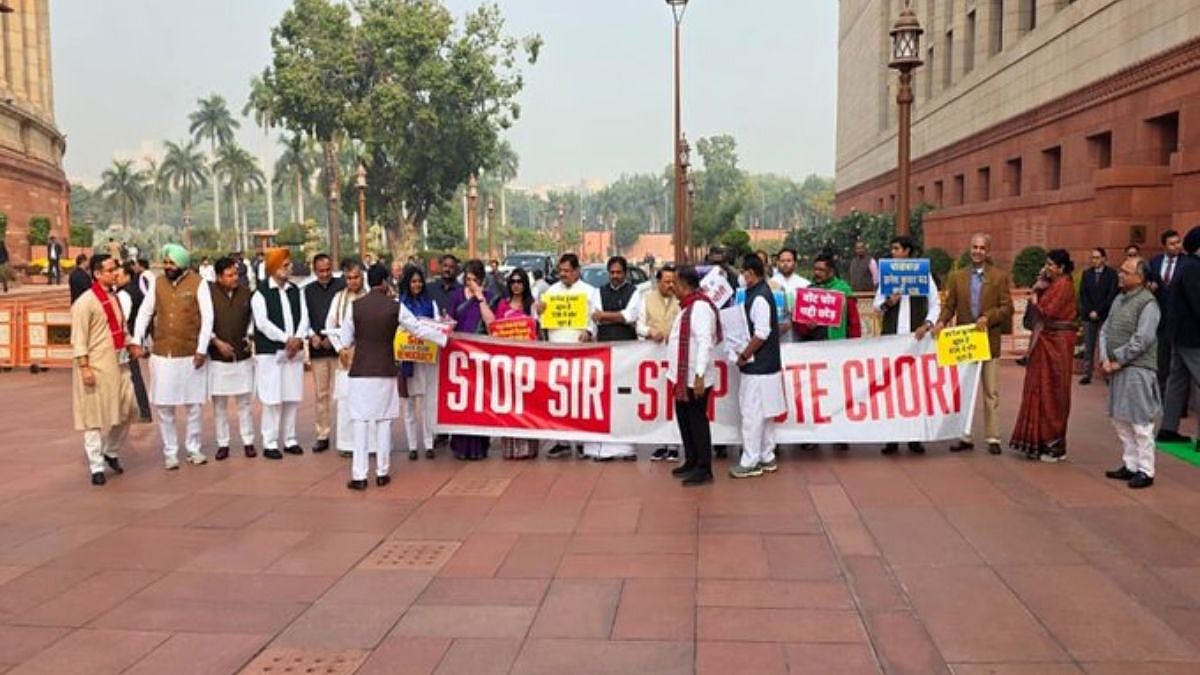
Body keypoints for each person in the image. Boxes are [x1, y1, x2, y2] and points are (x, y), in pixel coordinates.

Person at [338, 264, 450, 490]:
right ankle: (382, 472)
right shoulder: (395, 307)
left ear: (369, 281)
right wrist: (444, 338)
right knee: (383, 422)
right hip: (385, 370)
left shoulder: (355, 307)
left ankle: (359, 475)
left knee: (360, 422)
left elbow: (345, 340)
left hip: (360, 371)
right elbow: (417, 328)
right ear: (386, 281)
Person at [130, 244, 213, 470]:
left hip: (190, 353)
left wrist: (202, 349)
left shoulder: (199, 283)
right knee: (165, 406)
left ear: (183, 264)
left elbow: (208, 318)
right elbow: (145, 313)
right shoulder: (157, 284)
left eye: (172, 263)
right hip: (163, 353)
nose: (168, 267)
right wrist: (137, 340)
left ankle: (193, 448)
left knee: (193, 404)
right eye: (165, 262)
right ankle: (170, 452)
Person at [935, 233, 1014, 455]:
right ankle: (964, 435)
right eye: (974, 247)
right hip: (965, 342)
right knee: (965, 391)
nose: (977, 251)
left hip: (989, 340)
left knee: (991, 391)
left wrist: (988, 318)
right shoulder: (958, 277)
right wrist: (941, 321)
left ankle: (993, 437)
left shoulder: (998, 277)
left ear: (988, 251)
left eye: (981, 248)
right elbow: (950, 306)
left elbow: (1008, 308)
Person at [71, 254, 136, 485]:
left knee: (127, 410)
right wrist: (84, 367)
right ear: (97, 274)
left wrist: (132, 344)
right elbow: (78, 338)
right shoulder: (85, 302)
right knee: (93, 418)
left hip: (119, 363)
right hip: (96, 367)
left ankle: (111, 450)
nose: (115, 273)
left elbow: (121, 327)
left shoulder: (115, 298)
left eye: (116, 269)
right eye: (110, 270)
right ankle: (96, 466)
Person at [1010, 249, 1078, 462]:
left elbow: (1047, 312)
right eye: (1046, 264)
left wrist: (1035, 297)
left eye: (1051, 264)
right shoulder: (1051, 284)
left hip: (1057, 343)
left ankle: (1054, 444)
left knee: (1054, 391)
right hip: (1045, 340)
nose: (1047, 268)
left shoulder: (1064, 285)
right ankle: (1038, 441)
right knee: (1038, 387)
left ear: (1061, 268)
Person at [873, 234, 939, 455]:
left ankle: (914, 437)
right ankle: (892, 438)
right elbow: (876, 306)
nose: (893, 252)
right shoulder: (887, 275)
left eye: (897, 248)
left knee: (915, 389)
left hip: (916, 339)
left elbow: (935, 303)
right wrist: (888, 301)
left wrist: (927, 324)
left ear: (907, 251)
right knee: (891, 389)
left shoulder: (923, 274)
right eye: (891, 249)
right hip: (892, 339)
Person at [1101, 257, 1161, 489]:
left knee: (1140, 422)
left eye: (1126, 272)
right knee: (1120, 419)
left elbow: (1143, 339)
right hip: (1115, 368)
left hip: (1138, 370)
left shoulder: (1149, 304)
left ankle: (1146, 470)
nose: (1120, 275)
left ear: (1141, 277)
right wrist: (1106, 359)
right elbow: (1106, 328)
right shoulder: (1119, 299)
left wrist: (1119, 360)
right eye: (1121, 270)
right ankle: (1131, 464)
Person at [538, 253, 602, 459]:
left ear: (576, 271)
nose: (563, 274)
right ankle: (562, 441)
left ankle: (583, 441)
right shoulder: (551, 291)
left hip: (580, 350)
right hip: (556, 349)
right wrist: (538, 310)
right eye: (561, 271)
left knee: (581, 394)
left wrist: (589, 331)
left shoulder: (590, 292)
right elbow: (539, 319)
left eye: (567, 271)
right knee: (558, 396)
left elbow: (596, 317)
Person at [731, 254, 787, 478]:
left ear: (751, 273)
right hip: (768, 366)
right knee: (765, 414)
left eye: (743, 272)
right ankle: (766, 456)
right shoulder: (760, 293)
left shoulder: (759, 298)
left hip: (757, 366)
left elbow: (762, 333)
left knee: (752, 414)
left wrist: (744, 354)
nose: (741, 276)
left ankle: (751, 460)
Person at [252, 247, 310, 460]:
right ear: (274, 268)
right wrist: (287, 339)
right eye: (285, 265)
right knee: (272, 398)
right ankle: (270, 442)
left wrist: (297, 338)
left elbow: (304, 317)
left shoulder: (296, 290)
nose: (290, 268)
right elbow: (262, 323)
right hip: (270, 353)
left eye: (289, 264)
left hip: (292, 352)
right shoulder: (260, 292)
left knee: (291, 396)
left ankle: (290, 439)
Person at [667, 265, 722, 487]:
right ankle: (691, 459)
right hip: (682, 378)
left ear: (685, 285)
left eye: (675, 283)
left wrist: (699, 375)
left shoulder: (699, 307)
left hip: (694, 377)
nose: (672, 287)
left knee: (697, 421)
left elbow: (704, 343)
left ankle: (704, 468)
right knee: (684, 418)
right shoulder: (687, 306)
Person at [585, 256, 643, 461]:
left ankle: (627, 448)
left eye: (619, 272)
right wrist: (592, 329)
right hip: (604, 350)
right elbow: (593, 319)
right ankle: (604, 447)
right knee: (605, 396)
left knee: (625, 397)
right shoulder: (597, 292)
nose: (616, 276)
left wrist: (605, 316)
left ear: (625, 273)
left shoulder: (634, 292)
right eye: (612, 272)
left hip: (627, 351)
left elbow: (630, 316)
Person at [481, 267, 541, 460]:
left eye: (520, 281)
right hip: (508, 363)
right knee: (510, 404)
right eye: (513, 281)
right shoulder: (502, 305)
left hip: (528, 363)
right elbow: (494, 328)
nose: (516, 285)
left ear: (525, 284)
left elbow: (539, 331)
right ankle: (511, 448)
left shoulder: (532, 305)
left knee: (528, 404)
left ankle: (528, 447)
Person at [208, 257, 257, 460]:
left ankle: (248, 441)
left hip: (242, 355)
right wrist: (216, 342)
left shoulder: (247, 293)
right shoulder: (209, 295)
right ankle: (223, 443)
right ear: (219, 277)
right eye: (229, 275)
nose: (234, 278)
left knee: (244, 402)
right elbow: (202, 323)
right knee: (219, 404)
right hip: (217, 356)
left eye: (236, 274)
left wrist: (250, 336)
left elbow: (254, 320)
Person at [1156, 226, 1200, 447]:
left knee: (1177, 381)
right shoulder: (1193, 268)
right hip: (1192, 336)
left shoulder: (1185, 266)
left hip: (1179, 334)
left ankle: (1168, 428)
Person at [447, 259, 493, 460]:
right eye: (467, 278)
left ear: (481, 280)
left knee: (479, 400)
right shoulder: (458, 296)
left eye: (473, 279)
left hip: (481, 356)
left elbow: (492, 323)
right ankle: (460, 446)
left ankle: (479, 446)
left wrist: (480, 297)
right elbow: (450, 321)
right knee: (462, 399)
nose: (469, 283)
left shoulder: (490, 297)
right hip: (459, 356)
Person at [638, 266, 682, 461]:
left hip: (675, 356)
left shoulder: (681, 300)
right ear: (658, 282)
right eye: (666, 282)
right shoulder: (646, 298)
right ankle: (661, 444)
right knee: (657, 403)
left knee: (674, 402)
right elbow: (639, 324)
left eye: (673, 281)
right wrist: (649, 332)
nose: (670, 285)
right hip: (653, 358)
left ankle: (673, 445)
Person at [304, 253, 346, 453]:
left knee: (345, 393)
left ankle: (347, 435)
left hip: (340, 348)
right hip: (317, 348)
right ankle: (323, 434)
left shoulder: (342, 286)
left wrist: (333, 337)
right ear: (314, 270)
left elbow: (346, 315)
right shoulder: (308, 291)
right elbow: (304, 317)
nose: (325, 274)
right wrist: (312, 335)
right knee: (321, 394)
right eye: (321, 271)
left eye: (328, 269)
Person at [325, 261, 368, 457]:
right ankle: (347, 444)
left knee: (368, 401)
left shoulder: (370, 298)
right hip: (345, 356)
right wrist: (340, 348)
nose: (352, 281)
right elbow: (330, 326)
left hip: (368, 355)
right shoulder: (338, 299)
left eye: (356, 277)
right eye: (349, 278)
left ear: (363, 277)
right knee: (346, 401)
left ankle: (370, 444)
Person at [397, 265, 440, 461]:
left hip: (427, 360)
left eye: (419, 281)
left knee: (427, 403)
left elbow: (437, 325)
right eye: (413, 281)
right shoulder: (399, 304)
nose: (417, 285)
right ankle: (413, 446)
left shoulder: (431, 304)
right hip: (406, 361)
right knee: (408, 405)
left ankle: (429, 443)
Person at [114, 262, 152, 422]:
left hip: (128, 339)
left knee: (132, 375)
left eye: (118, 276)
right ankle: (142, 411)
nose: (116, 279)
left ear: (128, 276)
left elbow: (123, 318)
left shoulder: (124, 294)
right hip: (136, 337)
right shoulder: (136, 291)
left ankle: (140, 411)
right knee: (134, 374)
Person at [1147, 230, 1184, 393]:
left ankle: (1180, 405)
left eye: (1178, 242)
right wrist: (1150, 286)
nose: (1177, 246)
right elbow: (1146, 281)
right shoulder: (1155, 262)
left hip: (1181, 321)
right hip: (1160, 321)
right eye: (1172, 243)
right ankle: (1163, 398)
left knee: (1179, 365)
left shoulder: (1188, 263)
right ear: (1164, 246)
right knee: (1162, 362)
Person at [1078, 247, 1118, 385]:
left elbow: (1111, 295)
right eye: (1092, 257)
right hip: (1088, 315)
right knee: (1088, 345)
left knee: (1105, 346)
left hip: (1105, 315)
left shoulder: (1112, 274)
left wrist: (1099, 311)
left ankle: (1106, 374)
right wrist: (1090, 310)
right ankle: (1086, 374)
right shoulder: (1086, 274)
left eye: (1097, 257)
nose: (1094, 260)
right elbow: (1083, 294)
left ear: (1104, 259)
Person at [770, 248, 811, 343]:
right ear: (777, 263)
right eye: (782, 261)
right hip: (777, 335)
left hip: (799, 335)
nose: (785, 264)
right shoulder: (769, 284)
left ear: (795, 263)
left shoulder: (805, 284)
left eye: (789, 261)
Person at [427, 254, 462, 321]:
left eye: (451, 267)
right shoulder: (430, 288)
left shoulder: (461, 291)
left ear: (456, 270)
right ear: (440, 267)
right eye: (445, 266)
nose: (447, 269)